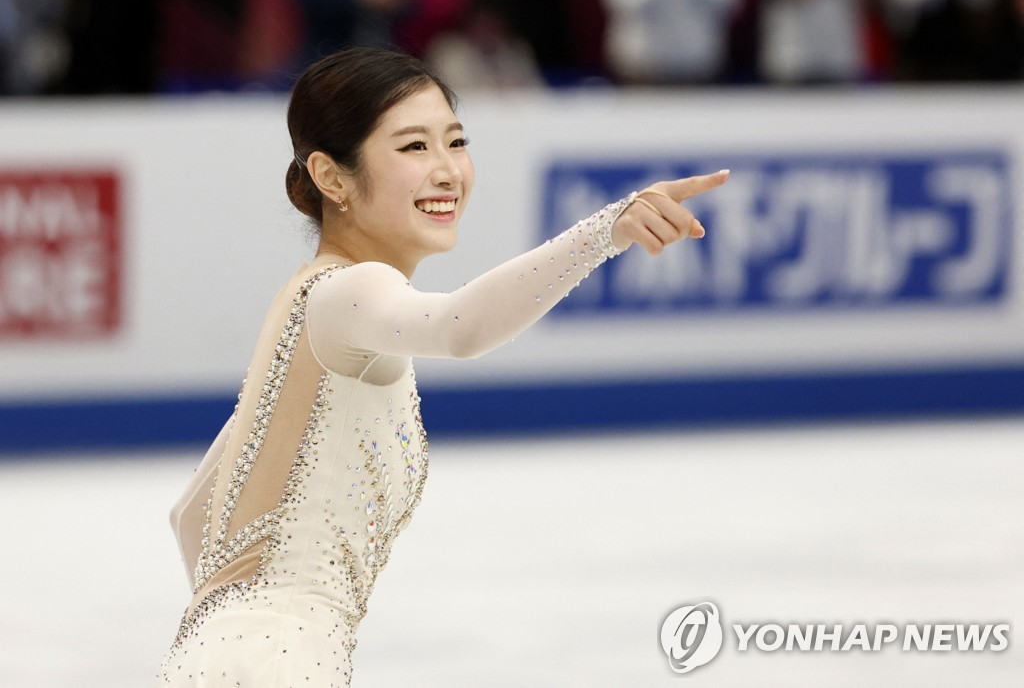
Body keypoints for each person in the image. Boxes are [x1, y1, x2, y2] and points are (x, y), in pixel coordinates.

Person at [154, 46, 728, 686]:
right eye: (413, 148)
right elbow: (461, 327)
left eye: (455, 142)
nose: (448, 169)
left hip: (241, 653)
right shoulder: (349, 291)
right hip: (280, 657)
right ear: (332, 177)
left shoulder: (315, 299)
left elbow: (194, 513)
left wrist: (232, 630)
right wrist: (608, 231)